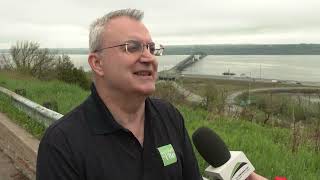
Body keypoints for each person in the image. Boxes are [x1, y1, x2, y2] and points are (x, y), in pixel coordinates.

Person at [36, 8, 266, 180]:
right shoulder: (62, 143)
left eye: (151, 48)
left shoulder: (170, 117)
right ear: (97, 63)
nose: (148, 57)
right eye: (132, 47)